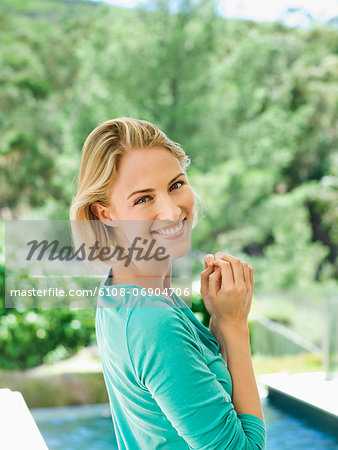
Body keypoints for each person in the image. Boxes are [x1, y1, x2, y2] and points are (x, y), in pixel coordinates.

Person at [69, 117, 266, 449]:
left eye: (176, 185)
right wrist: (235, 325)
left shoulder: (123, 291)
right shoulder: (154, 322)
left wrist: (218, 318)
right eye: (144, 198)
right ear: (105, 214)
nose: (173, 211)